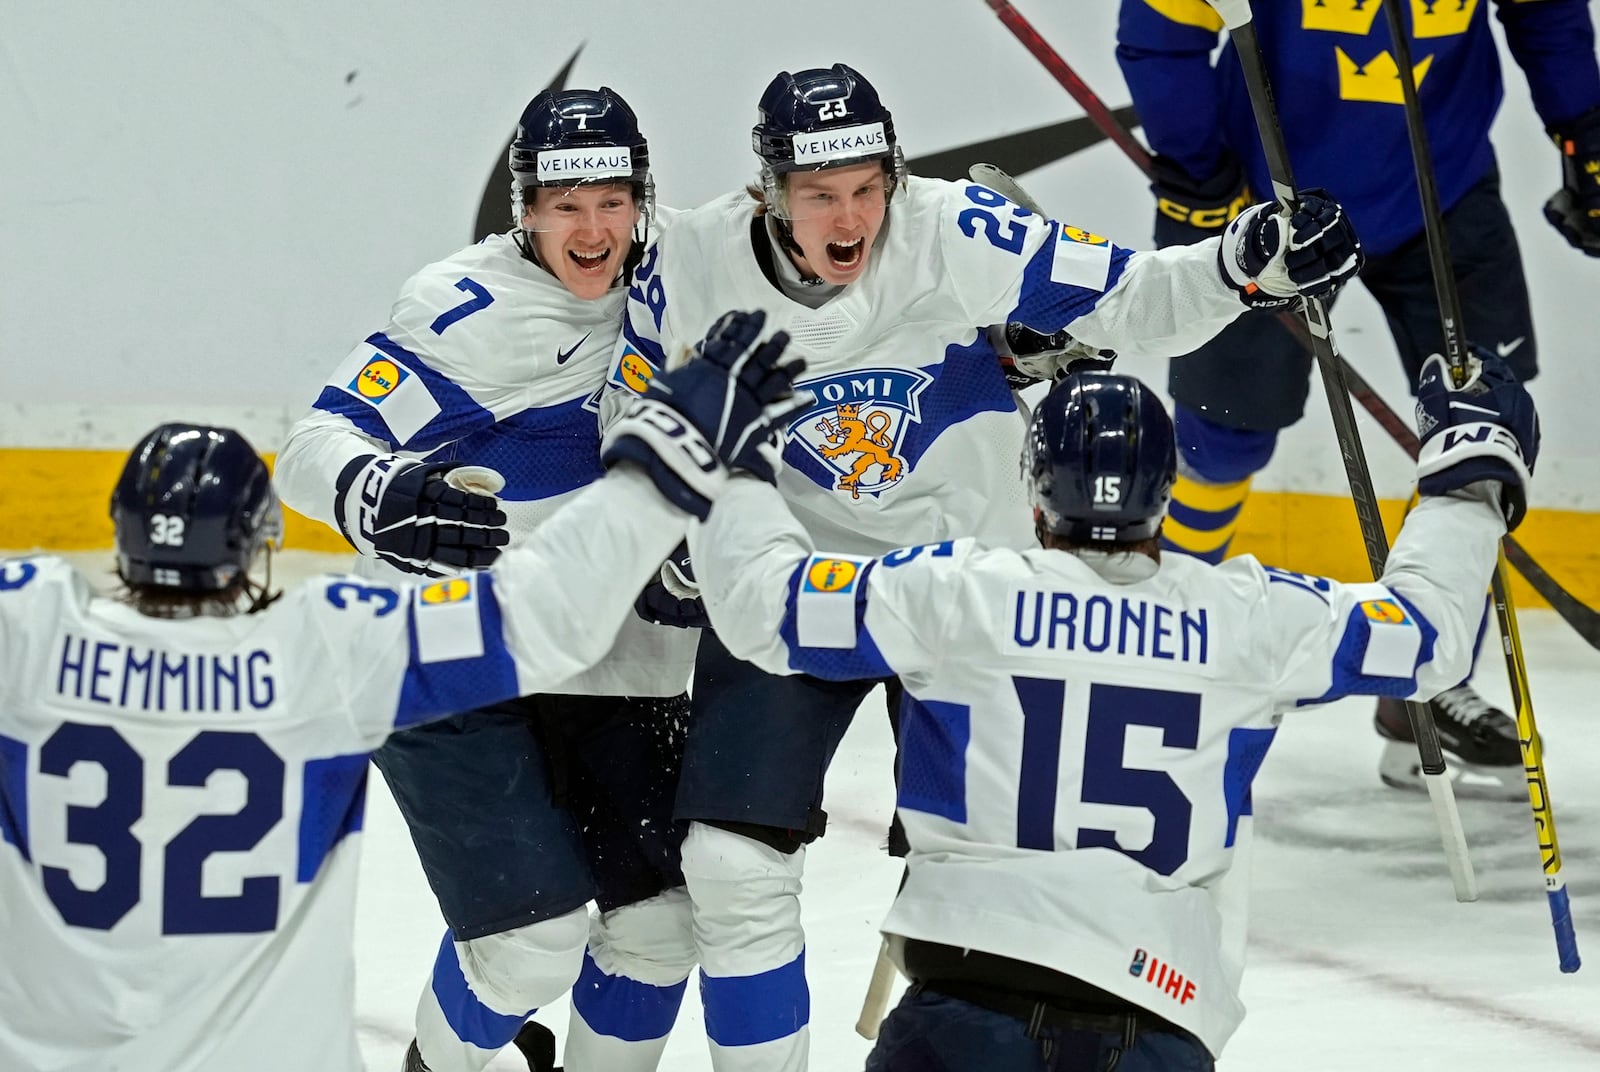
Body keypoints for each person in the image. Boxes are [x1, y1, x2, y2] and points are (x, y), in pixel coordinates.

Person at [602, 61, 1362, 1069]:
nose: (850, 215)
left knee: (997, 898)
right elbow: (634, 399)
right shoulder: (690, 259)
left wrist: (1241, 263)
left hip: (963, 592)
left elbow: (1131, 299)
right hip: (798, 584)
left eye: (868, 187)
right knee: (730, 862)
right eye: (821, 193)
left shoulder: (956, 228)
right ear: (770, 188)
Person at [686, 324, 1539, 1070]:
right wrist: (1470, 470)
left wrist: (736, 460)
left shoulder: (955, 593)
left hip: (964, 1012)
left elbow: (767, 605)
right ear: (1168, 490)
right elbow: (1424, 637)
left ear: (1033, 486)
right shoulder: (1248, 616)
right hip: (1158, 1017)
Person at [0, 316, 807, 1072]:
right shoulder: (327, 649)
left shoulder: (24, 633)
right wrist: (666, 461)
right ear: (260, 544)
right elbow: (545, 611)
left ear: (119, 533)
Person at [273, 88, 705, 1072]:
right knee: (525, 945)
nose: (592, 229)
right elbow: (314, 442)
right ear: (524, 209)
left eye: (611, 199)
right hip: (456, 661)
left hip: (619, 660)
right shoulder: (464, 312)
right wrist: (378, 489)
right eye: (564, 205)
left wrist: (990, 350)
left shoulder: (706, 269)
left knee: (662, 931)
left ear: (645, 196)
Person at [1115, 0, 1600, 796]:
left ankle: (1426, 692)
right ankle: (1159, 647)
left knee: (1484, 432)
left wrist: (1585, 127)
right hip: (1265, 197)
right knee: (1223, 437)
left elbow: (1543, 11)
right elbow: (1164, 28)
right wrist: (1197, 163)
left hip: (1440, 179)